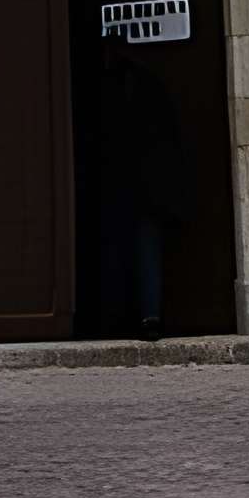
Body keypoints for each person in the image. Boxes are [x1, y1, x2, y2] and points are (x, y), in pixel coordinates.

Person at [92, 30, 187, 339]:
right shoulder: (137, 83)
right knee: (129, 249)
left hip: (135, 185)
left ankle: (137, 317)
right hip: (134, 185)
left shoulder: (123, 85)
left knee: (132, 248)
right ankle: (137, 316)